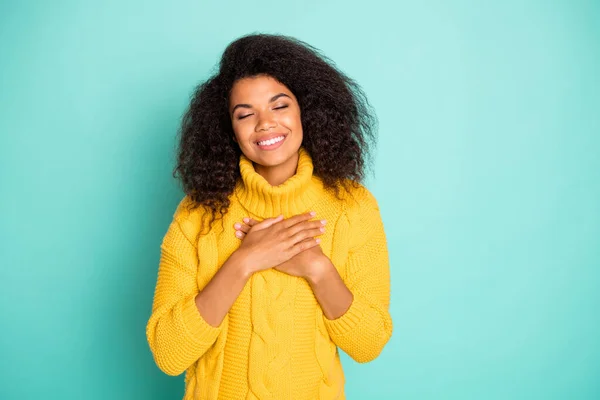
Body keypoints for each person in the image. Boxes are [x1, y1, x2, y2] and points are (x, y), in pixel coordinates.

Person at [146, 33, 393, 400]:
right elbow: (168, 353)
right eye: (245, 114)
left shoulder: (352, 207)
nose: (264, 123)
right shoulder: (197, 213)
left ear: (305, 110)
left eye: (280, 106)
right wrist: (244, 261)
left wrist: (318, 269)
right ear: (228, 129)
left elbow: (368, 344)